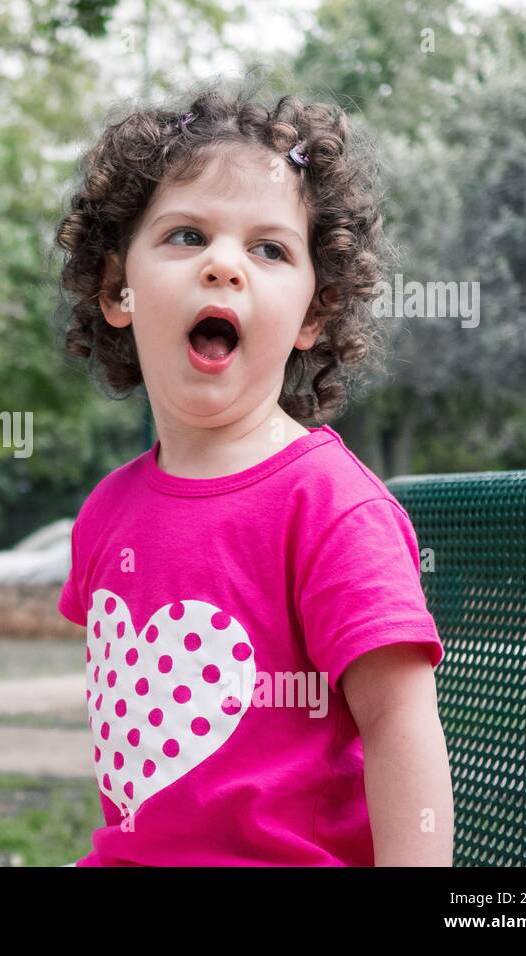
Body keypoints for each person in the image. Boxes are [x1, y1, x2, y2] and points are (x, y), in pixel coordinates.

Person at [52, 75, 453, 866]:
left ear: (313, 314)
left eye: (269, 249)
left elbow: (401, 728)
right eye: (186, 236)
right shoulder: (106, 513)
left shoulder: (330, 508)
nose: (224, 266)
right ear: (116, 289)